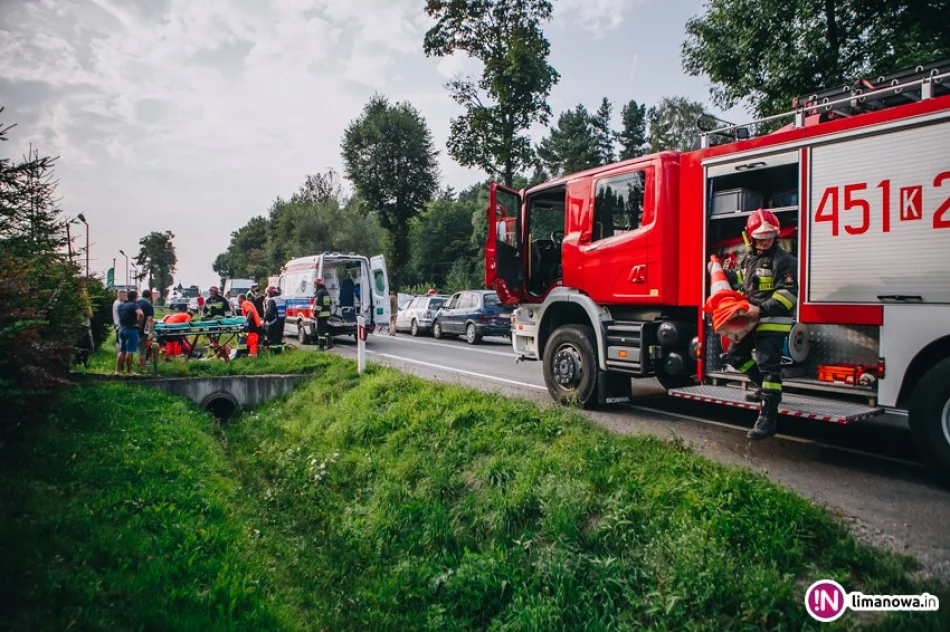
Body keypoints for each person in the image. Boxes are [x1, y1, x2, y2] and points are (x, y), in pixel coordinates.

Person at [719, 209, 798, 440]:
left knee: (768, 367)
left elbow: (788, 296)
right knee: (735, 355)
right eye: (761, 237)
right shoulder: (749, 258)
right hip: (751, 319)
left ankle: (768, 418)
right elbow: (746, 286)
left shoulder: (784, 261)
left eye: (769, 236)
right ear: (751, 237)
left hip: (772, 321)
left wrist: (760, 309)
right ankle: (763, 387)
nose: (765, 241)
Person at [115, 290, 143, 376]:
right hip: (131, 330)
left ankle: (118, 371)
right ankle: (129, 372)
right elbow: (140, 314)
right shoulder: (135, 305)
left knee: (122, 351)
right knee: (129, 351)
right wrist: (139, 324)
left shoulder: (120, 305)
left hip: (121, 330)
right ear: (134, 298)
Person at [136, 289, 156, 372]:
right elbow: (149, 320)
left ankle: (128, 368)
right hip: (142, 331)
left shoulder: (135, 302)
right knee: (142, 350)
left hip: (132, 329)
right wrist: (151, 333)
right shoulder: (148, 306)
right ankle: (142, 368)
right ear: (150, 297)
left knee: (130, 350)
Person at [314, 278, 332, 349]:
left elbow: (318, 305)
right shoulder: (326, 292)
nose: (315, 286)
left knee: (320, 331)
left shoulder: (319, 293)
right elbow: (330, 303)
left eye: (315, 285)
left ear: (317, 285)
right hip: (327, 314)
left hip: (321, 315)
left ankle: (321, 347)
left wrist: (315, 314)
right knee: (325, 330)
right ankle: (329, 344)